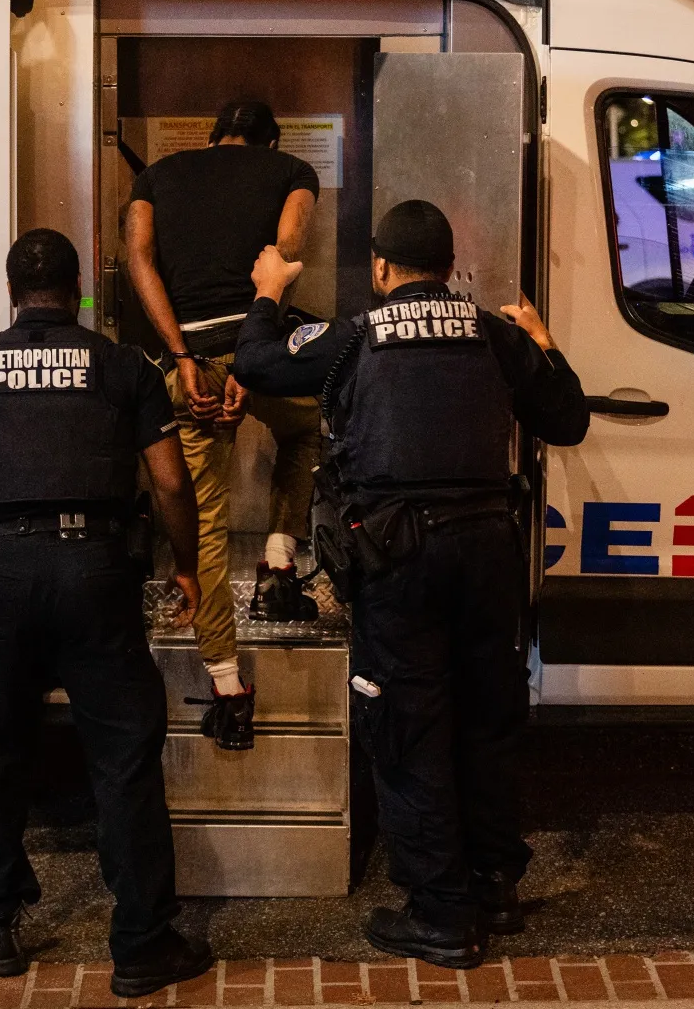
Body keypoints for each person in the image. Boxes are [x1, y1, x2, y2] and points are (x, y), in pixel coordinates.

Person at [232, 200, 590, 969]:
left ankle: (442, 916)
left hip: (399, 558)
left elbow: (255, 363)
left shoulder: (354, 338)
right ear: (449, 268)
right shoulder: (492, 335)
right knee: (488, 717)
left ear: (382, 270)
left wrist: (268, 292)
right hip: (489, 550)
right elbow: (567, 419)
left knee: (409, 727)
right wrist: (542, 342)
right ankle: (494, 884)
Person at [0, 228, 214, 1000]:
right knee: (123, 759)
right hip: (96, 574)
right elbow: (173, 485)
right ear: (78, 291)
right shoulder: (121, 367)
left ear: (12, 292)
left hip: (2, 574)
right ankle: (142, 942)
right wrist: (185, 564)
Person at [125, 100, 326, 750]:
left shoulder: (158, 175)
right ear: (269, 140)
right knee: (308, 429)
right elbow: (288, 253)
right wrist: (253, 353)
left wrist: (183, 355)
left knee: (201, 518)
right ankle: (277, 562)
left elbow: (138, 259)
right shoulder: (291, 169)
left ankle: (227, 687)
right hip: (258, 351)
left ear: (213, 137)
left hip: (188, 362)